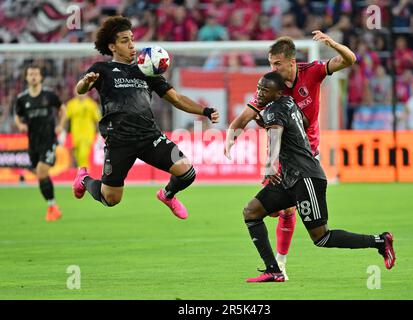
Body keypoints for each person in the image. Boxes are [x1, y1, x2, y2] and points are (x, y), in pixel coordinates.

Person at [224, 33, 356, 279]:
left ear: (291, 61)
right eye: (270, 63)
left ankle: (280, 264)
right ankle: (277, 266)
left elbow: (349, 59)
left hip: (305, 153)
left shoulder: (313, 72)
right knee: (268, 210)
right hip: (279, 152)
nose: (272, 69)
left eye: (277, 64)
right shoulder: (272, 87)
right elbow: (244, 117)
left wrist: (333, 44)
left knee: (285, 211)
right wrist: (230, 138)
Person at [244, 72, 395, 282]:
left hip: (306, 177)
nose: (259, 93)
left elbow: (276, 136)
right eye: (259, 88)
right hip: (290, 178)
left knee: (322, 237)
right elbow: (301, 123)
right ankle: (274, 270)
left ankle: (380, 241)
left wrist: (270, 165)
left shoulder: (275, 109)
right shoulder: (288, 102)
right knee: (252, 211)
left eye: (265, 90)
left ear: (278, 92)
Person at [72, 16, 219, 219]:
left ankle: (167, 195)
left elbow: (176, 99)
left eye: (132, 39)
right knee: (111, 199)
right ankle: (84, 179)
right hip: (119, 140)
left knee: (187, 172)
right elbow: (80, 89)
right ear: (112, 46)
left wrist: (204, 111)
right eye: (125, 41)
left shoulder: (146, 71)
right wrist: (86, 82)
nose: (132, 45)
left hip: (149, 137)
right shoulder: (101, 70)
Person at [14, 64, 66, 222]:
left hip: (49, 140)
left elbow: (63, 109)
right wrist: (20, 125)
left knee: (42, 171)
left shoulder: (49, 95)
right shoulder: (22, 99)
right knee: (41, 175)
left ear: (41, 77)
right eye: (30, 74)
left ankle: (52, 208)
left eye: (36, 74)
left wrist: (60, 126)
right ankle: (52, 206)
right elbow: (17, 115)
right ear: (26, 77)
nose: (33, 76)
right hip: (33, 143)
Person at [64, 88, 101, 168]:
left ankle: (84, 174)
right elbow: (66, 119)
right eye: (77, 91)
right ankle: (83, 172)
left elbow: (97, 120)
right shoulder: (71, 104)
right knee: (78, 155)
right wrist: (64, 132)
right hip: (75, 134)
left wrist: (99, 133)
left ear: (86, 93)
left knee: (83, 154)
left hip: (88, 134)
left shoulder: (92, 104)